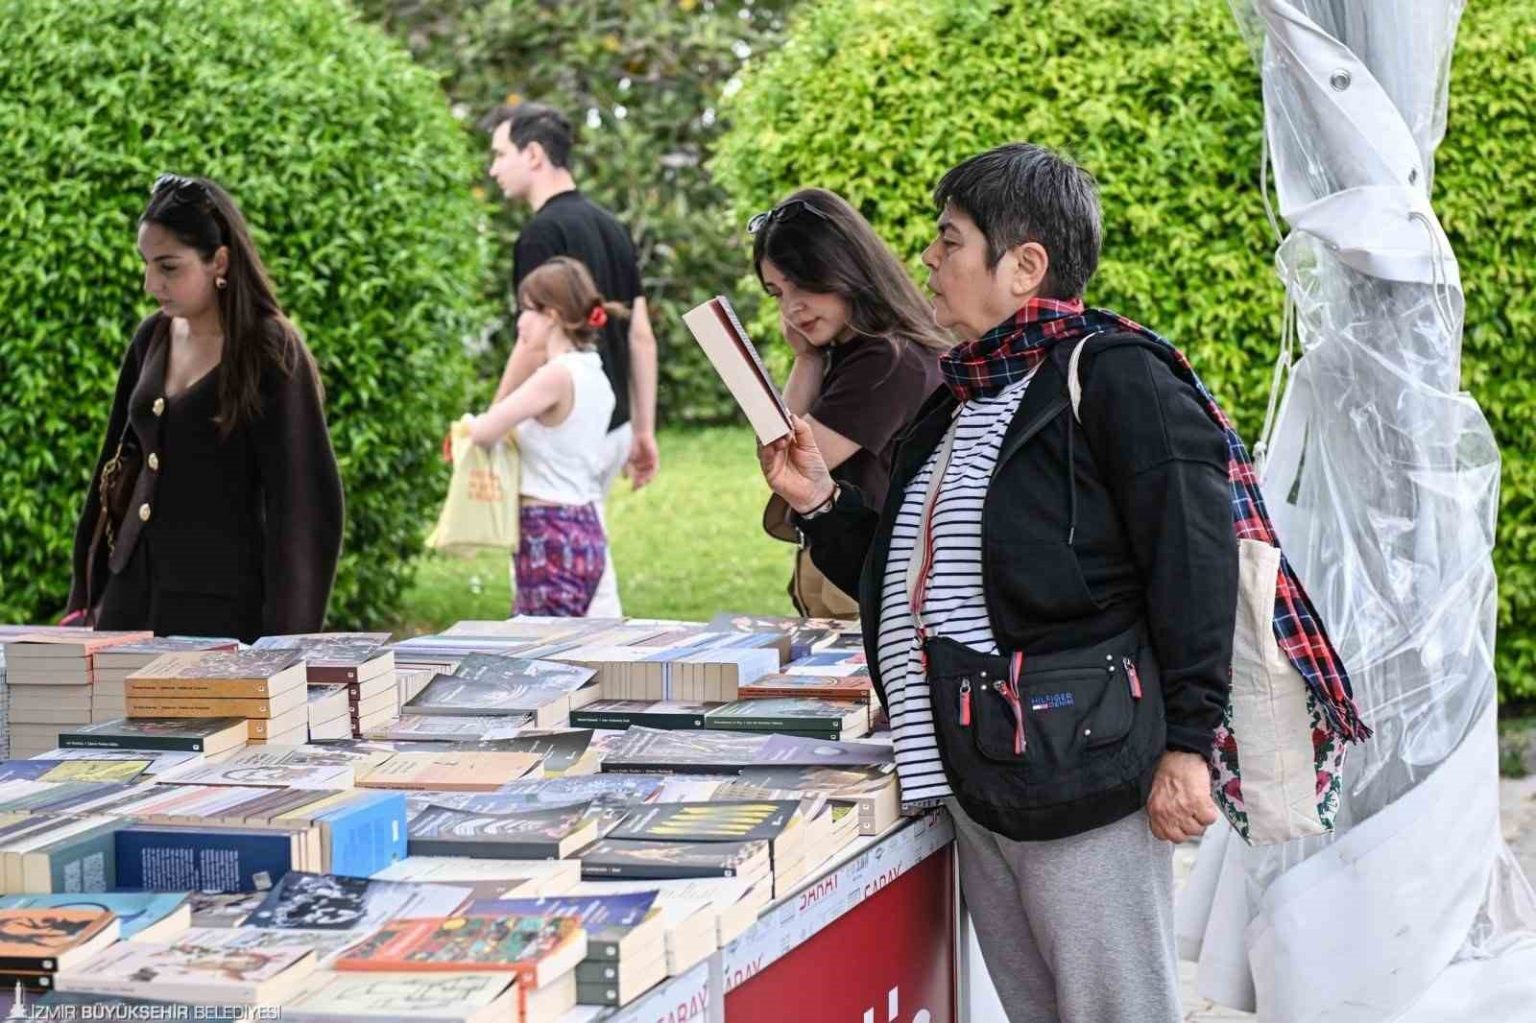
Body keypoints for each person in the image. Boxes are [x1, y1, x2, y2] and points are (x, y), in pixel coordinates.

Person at [759, 143, 1242, 1022]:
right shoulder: (959, 397)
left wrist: (1190, 743)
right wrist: (820, 502)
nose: (927, 260)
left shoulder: (1115, 374)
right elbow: (901, 579)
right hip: (977, 775)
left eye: (949, 241)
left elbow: (1194, 559)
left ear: (1024, 266)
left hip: (1076, 774)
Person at [66, 174, 344, 643]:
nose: (150, 283)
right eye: (147, 265)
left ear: (219, 261)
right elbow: (112, 465)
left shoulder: (268, 350)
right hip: (129, 602)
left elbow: (302, 506)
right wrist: (86, 588)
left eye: (168, 267)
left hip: (223, 615)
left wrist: (285, 642)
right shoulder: (151, 337)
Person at [483, 101, 658, 617]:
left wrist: (495, 415)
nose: (493, 169)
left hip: (562, 423)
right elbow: (641, 335)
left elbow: (532, 341)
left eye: (500, 154)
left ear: (534, 154)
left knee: (551, 564)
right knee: (589, 554)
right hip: (611, 420)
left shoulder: (541, 235)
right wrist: (644, 429)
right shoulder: (611, 225)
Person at [749, 188, 948, 619]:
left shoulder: (887, 360)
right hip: (843, 564)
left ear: (847, 266)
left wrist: (806, 360)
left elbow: (788, 458)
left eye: (803, 283)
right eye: (777, 293)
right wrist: (808, 357)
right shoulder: (855, 350)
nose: (792, 307)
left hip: (868, 572)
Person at [469, 257, 624, 617]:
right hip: (585, 526)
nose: (520, 322)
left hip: (547, 530)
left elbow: (485, 431)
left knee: (543, 644)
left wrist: (467, 426)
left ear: (551, 315)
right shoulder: (595, 374)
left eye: (526, 310)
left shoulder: (555, 376)